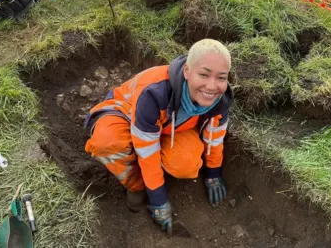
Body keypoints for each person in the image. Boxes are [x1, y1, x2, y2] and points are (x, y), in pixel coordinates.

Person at [84, 38, 233, 233]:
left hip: (171, 127)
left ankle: (154, 176)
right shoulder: (154, 93)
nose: (212, 86)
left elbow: (215, 137)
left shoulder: (220, 99)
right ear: (187, 71)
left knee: (187, 163)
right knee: (107, 142)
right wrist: (158, 198)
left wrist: (213, 174)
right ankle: (136, 184)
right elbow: (147, 151)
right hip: (127, 114)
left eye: (221, 78)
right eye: (204, 74)